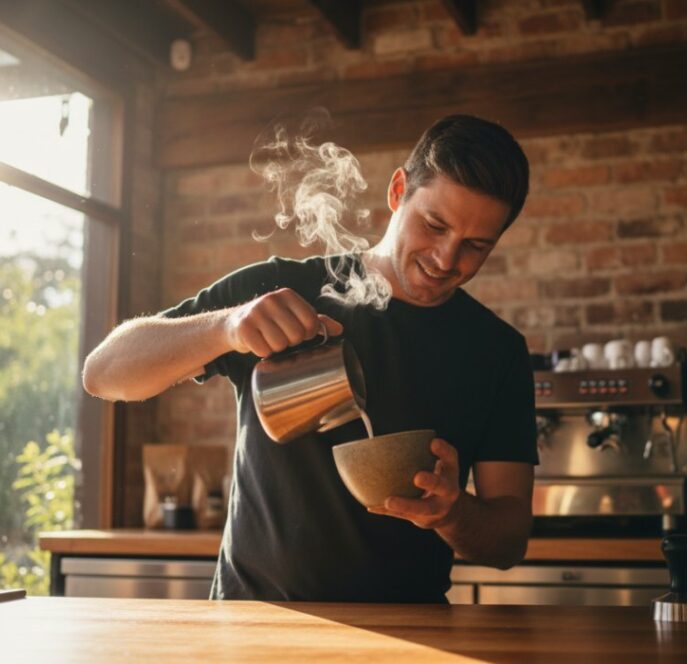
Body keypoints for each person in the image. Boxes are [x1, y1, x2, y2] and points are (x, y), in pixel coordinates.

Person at [83, 114, 538, 603]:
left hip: (410, 635)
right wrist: (227, 327)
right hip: (255, 628)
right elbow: (104, 373)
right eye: (434, 225)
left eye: (475, 246)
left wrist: (453, 514)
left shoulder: (496, 351)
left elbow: (508, 541)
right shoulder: (277, 291)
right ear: (398, 190)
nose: (447, 259)